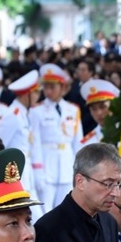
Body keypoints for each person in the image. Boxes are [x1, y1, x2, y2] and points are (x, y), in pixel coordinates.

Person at [29, 63, 83, 211]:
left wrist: (79, 169)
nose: (48, 91)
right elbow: (35, 143)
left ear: (62, 87)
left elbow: (78, 143)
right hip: (47, 166)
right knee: (45, 210)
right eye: (46, 87)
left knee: (66, 210)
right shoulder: (36, 111)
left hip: (67, 165)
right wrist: (38, 170)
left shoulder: (73, 109)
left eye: (52, 87)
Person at [4, 70, 43, 221]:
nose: (38, 96)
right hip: (15, 171)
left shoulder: (23, 113)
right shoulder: (12, 115)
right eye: (35, 93)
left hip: (25, 170)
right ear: (25, 94)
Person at [80, 77, 120, 146]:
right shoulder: (88, 143)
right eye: (93, 109)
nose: (98, 113)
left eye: (103, 107)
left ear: (114, 105)